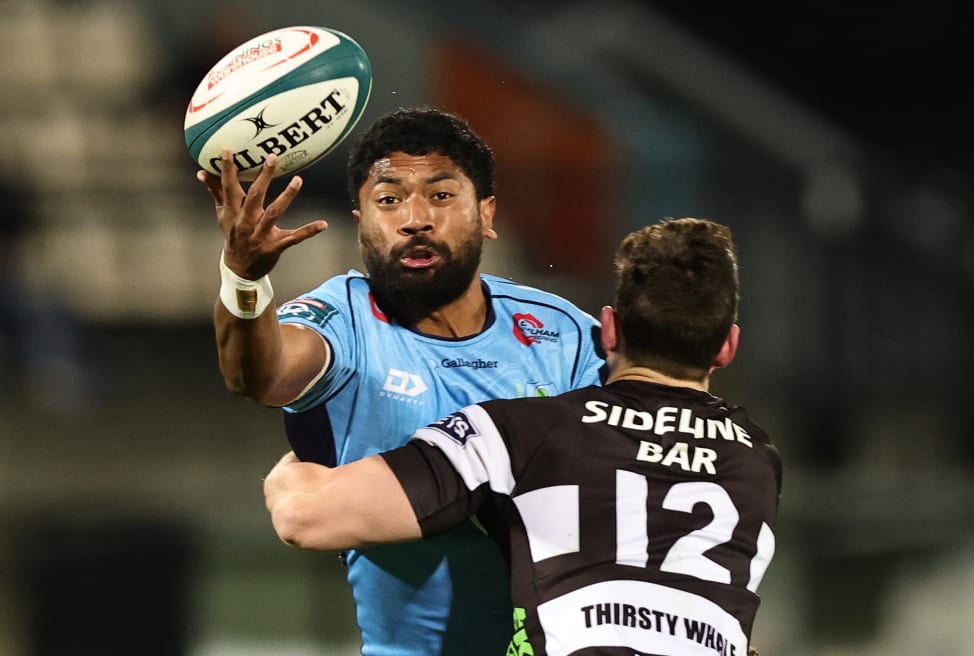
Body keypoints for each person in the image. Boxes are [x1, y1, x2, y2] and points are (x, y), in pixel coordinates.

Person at [264, 217, 783, 656]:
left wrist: (299, 465)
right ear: (727, 347)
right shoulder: (758, 459)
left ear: (608, 330)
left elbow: (304, 517)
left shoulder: (523, 429)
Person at [197, 107, 606, 655]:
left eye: (440, 196)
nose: (415, 218)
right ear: (361, 220)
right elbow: (259, 376)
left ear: (486, 213)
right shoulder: (343, 321)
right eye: (388, 199)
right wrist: (243, 279)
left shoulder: (564, 334)